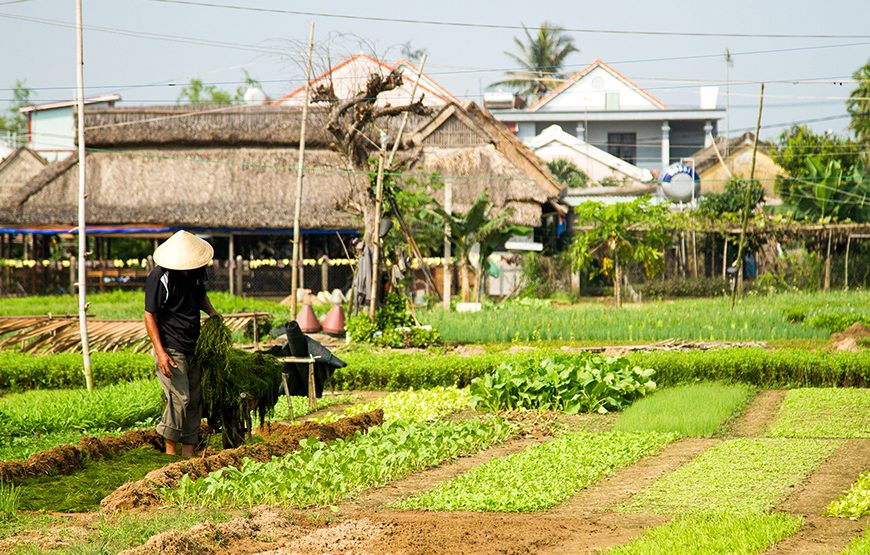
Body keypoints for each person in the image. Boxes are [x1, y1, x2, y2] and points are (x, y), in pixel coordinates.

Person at [144, 230, 220, 456]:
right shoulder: (160, 278)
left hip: (193, 345)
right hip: (170, 346)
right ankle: (169, 453)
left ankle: (188, 451)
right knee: (180, 398)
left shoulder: (196, 273)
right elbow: (149, 315)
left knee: (195, 398)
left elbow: (200, 298)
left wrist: (213, 314)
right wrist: (161, 352)